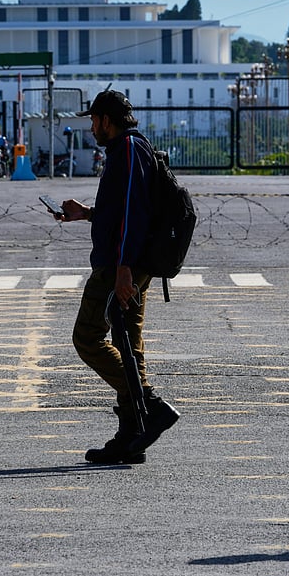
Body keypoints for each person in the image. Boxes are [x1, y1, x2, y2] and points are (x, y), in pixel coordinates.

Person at [54, 90, 180, 464]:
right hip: (131, 264)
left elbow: (134, 213)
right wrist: (87, 214)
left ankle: (151, 406)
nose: (92, 127)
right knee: (129, 346)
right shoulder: (132, 149)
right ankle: (132, 435)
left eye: (94, 120)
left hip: (119, 267)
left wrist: (123, 268)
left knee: (87, 337)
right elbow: (120, 210)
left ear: (107, 120)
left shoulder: (126, 149)